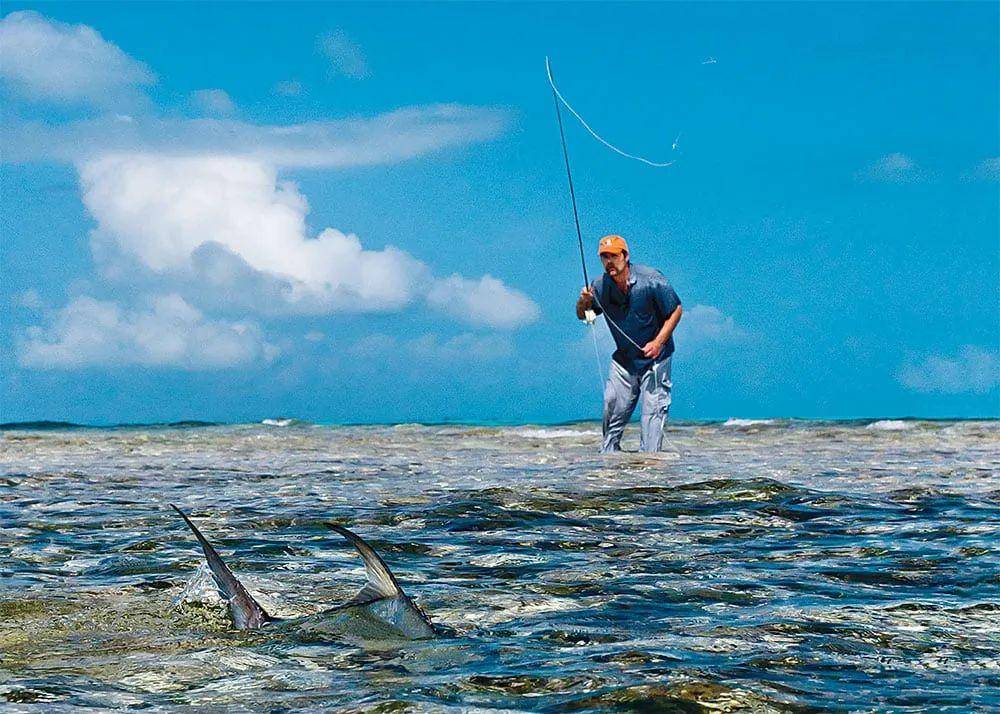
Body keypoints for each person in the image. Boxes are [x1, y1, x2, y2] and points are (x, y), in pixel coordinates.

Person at [575, 235, 682, 453]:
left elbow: (676, 310)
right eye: (604, 257)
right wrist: (583, 302)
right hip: (624, 361)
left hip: (655, 359)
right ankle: (612, 474)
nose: (609, 262)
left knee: (651, 424)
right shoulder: (599, 286)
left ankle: (649, 477)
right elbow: (585, 316)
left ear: (625, 256)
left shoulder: (651, 279)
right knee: (611, 407)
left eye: (613, 256)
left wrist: (658, 342)